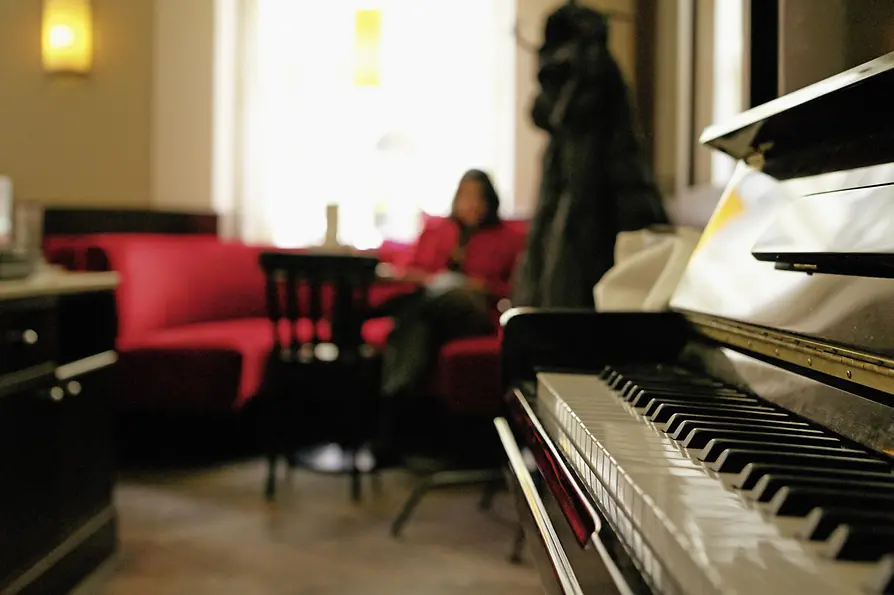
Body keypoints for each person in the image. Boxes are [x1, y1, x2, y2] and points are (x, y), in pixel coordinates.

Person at [372, 169, 524, 459]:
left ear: (491, 201)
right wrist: (427, 279)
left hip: (476, 313)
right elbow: (414, 271)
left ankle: (389, 419)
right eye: (466, 196)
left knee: (443, 294)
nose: (472, 204)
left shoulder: (508, 238)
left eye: (478, 197)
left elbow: (515, 289)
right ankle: (396, 416)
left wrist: (481, 286)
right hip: (434, 312)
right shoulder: (437, 231)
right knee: (422, 323)